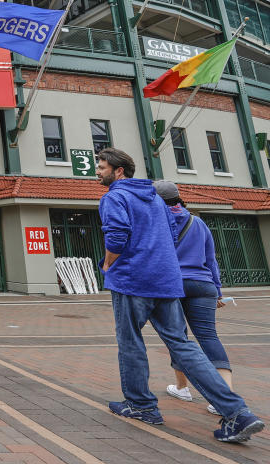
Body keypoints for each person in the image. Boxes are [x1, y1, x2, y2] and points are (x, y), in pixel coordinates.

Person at [95, 148, 263, 443]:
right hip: (166, 281)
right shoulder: (156, 199)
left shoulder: (114, 197)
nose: (97, 170)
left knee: (131, 342)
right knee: (183, 345)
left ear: (118, 171)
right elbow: (171, 237)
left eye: (101, 165)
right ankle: (237, 412)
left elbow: (117, 236)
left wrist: (108, 264)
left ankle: (141, 405)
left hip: (133, 280)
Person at [153, 181, 231, 416]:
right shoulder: (198, 222)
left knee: (178, 338)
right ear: (179, 198)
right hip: (203, 284)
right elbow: (211, 259)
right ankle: (226, 394)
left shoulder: (157, 223)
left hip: (172, 285)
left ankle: (182, 387)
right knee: (209, 336)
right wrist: (218, 290)